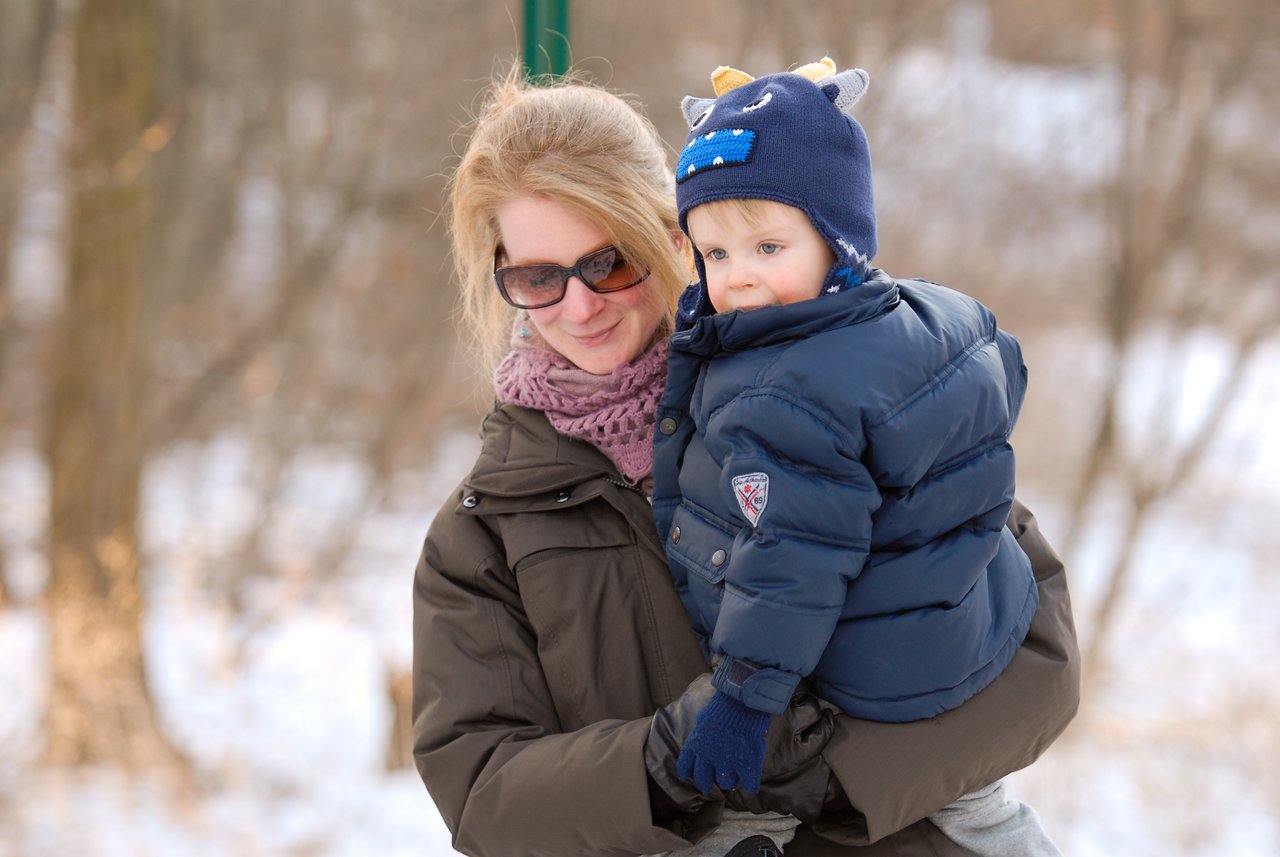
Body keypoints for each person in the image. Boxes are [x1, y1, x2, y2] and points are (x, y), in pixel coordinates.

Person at [412, 65, 1080, 857]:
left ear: (672, 236)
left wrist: (832, 775)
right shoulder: (485, 530)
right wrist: (662, 763)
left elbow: (1039, 656)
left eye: (608, 262)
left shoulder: (846, 390)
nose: (581, 305)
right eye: (537, 277)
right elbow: (484, 794)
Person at [651, 59, 1063, 856]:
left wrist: (742, 699)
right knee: (979, 805)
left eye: (769, 246)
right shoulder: (921, 315)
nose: (741, 280)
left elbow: (791, 559)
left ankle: (753, 831)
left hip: (866, 672)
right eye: (716, 254)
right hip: (970, 628)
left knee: (750, 781)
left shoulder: (785, 390)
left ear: (837, 235)